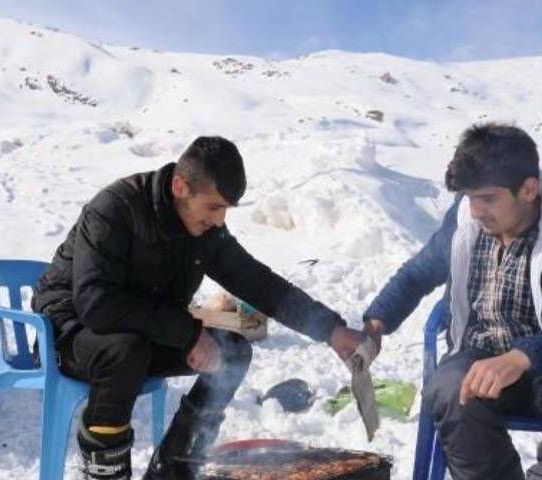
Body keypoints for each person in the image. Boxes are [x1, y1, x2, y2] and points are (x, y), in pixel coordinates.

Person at [32, 136, 366, 480]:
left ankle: (172, 472)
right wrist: (188, 334)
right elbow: (96, 304)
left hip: (140, 330)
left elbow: (256, 281)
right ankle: (105, 474)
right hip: (68, 332)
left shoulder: (203, 228)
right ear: (180, 187)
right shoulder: (115, 209)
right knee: (125, 351)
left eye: (225, 210)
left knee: (232, 353)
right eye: (214, 207)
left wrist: (330, 329)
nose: (219, 220)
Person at [363, 123, 542, 480]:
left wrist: (523, 356)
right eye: (470, 198)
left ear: (528, 190)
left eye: (488, 198)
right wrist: (376, 324)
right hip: (483, 359)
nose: (476, 210)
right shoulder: (465, 224)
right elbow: (416, 275)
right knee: (450, 387)